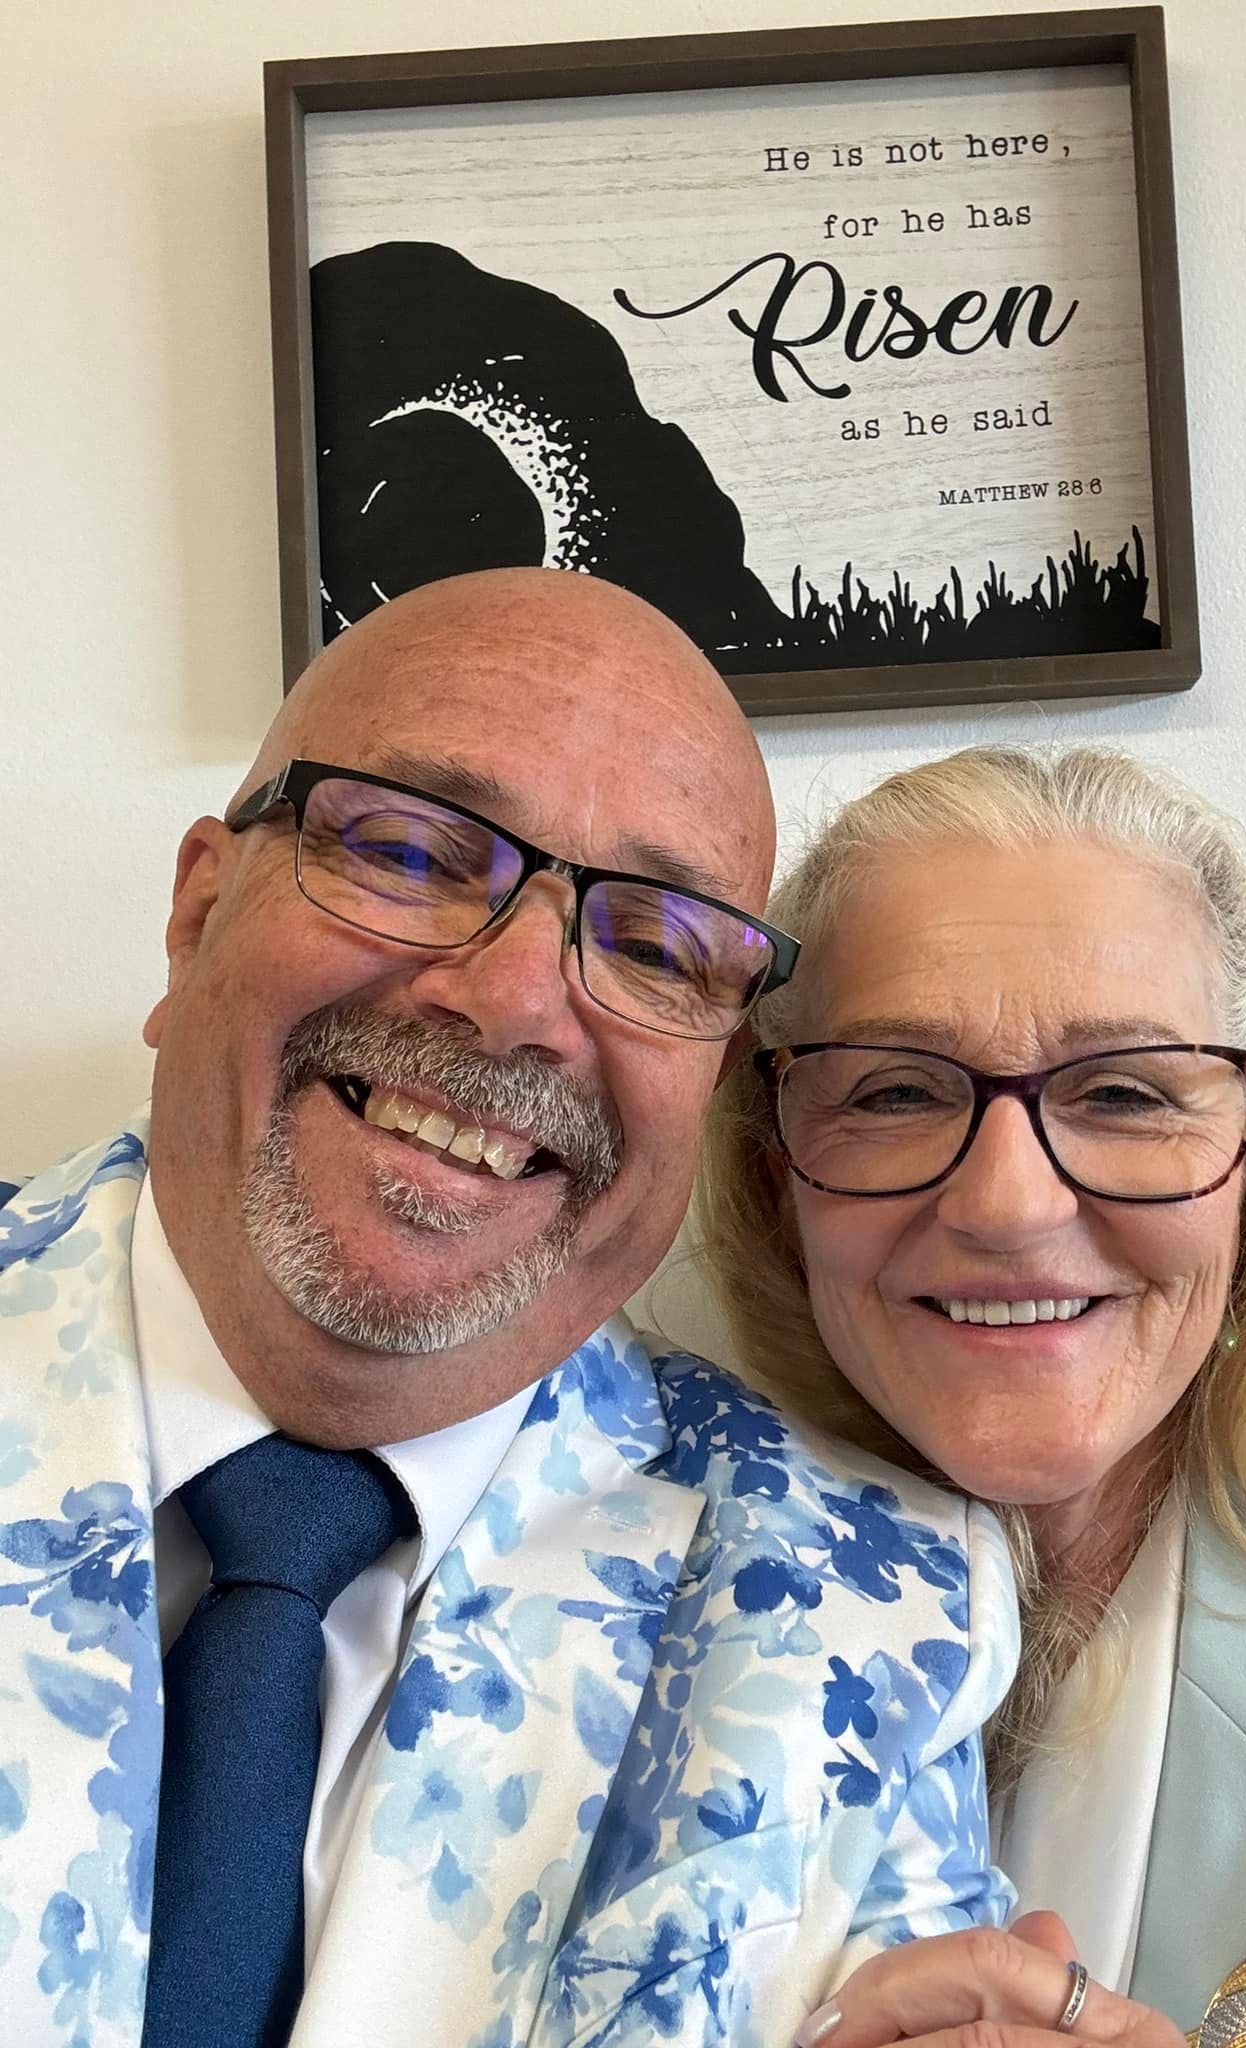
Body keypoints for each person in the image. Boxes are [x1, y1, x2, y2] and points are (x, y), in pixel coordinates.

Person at [0, 571, 1018, 2048]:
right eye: (413, 851)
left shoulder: (873, 1616)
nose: (516, 1001)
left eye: (659, 945)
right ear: (198, 915)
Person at [699, 742, 1246, 2047]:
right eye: (898, 1092)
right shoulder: (652, 1624)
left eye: (1127, 1093)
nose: (1007, 1207)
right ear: (774, 1169)